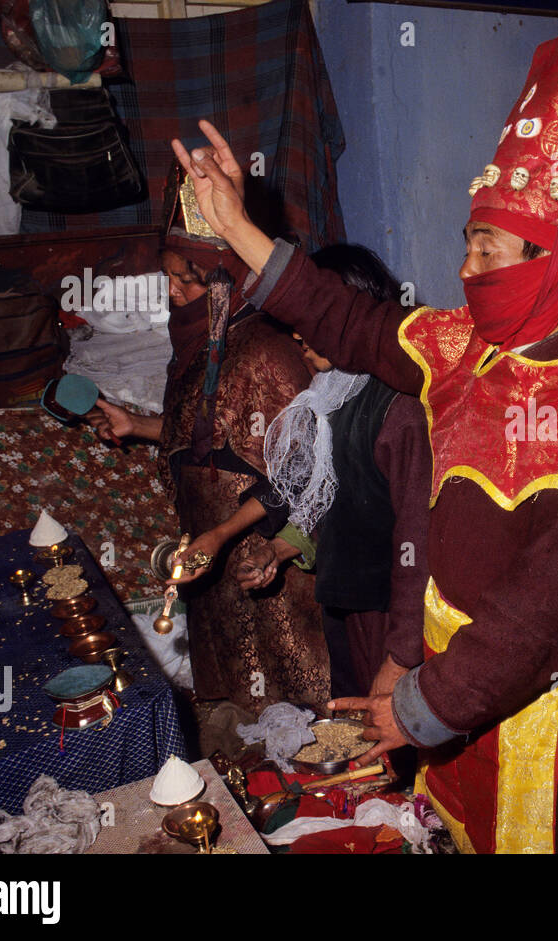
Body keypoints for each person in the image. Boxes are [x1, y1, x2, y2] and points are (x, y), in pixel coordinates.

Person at [168, 27, 558, 853]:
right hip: (442, 671)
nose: (469, 269)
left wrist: (421, 705)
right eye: (465, 243)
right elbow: (348, 319)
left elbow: (537, 622)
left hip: (523, 699)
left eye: (490, 247)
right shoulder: (461, 348)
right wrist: (237, 228)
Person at [88, 171, 329, 713]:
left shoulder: (271, 353)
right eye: (168, 279)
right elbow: (214, 435)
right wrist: (138, 426)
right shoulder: (206, 344)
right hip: (209, 541)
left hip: (265, 547)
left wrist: (228, 535)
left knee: (292, 678)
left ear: (227, 281)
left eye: (187, 283)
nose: (174, 294)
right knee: (237, 683)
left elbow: (302, 472)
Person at [233, 243, 431, 703]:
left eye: (311, 322)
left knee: (389, 719)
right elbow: (332, 501)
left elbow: (416, 540)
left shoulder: (398, 410)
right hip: (351, 599)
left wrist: (400, 655)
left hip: (397, 609)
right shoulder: (329, 397)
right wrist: (279, 551)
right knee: (355, 714)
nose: (298, 337)